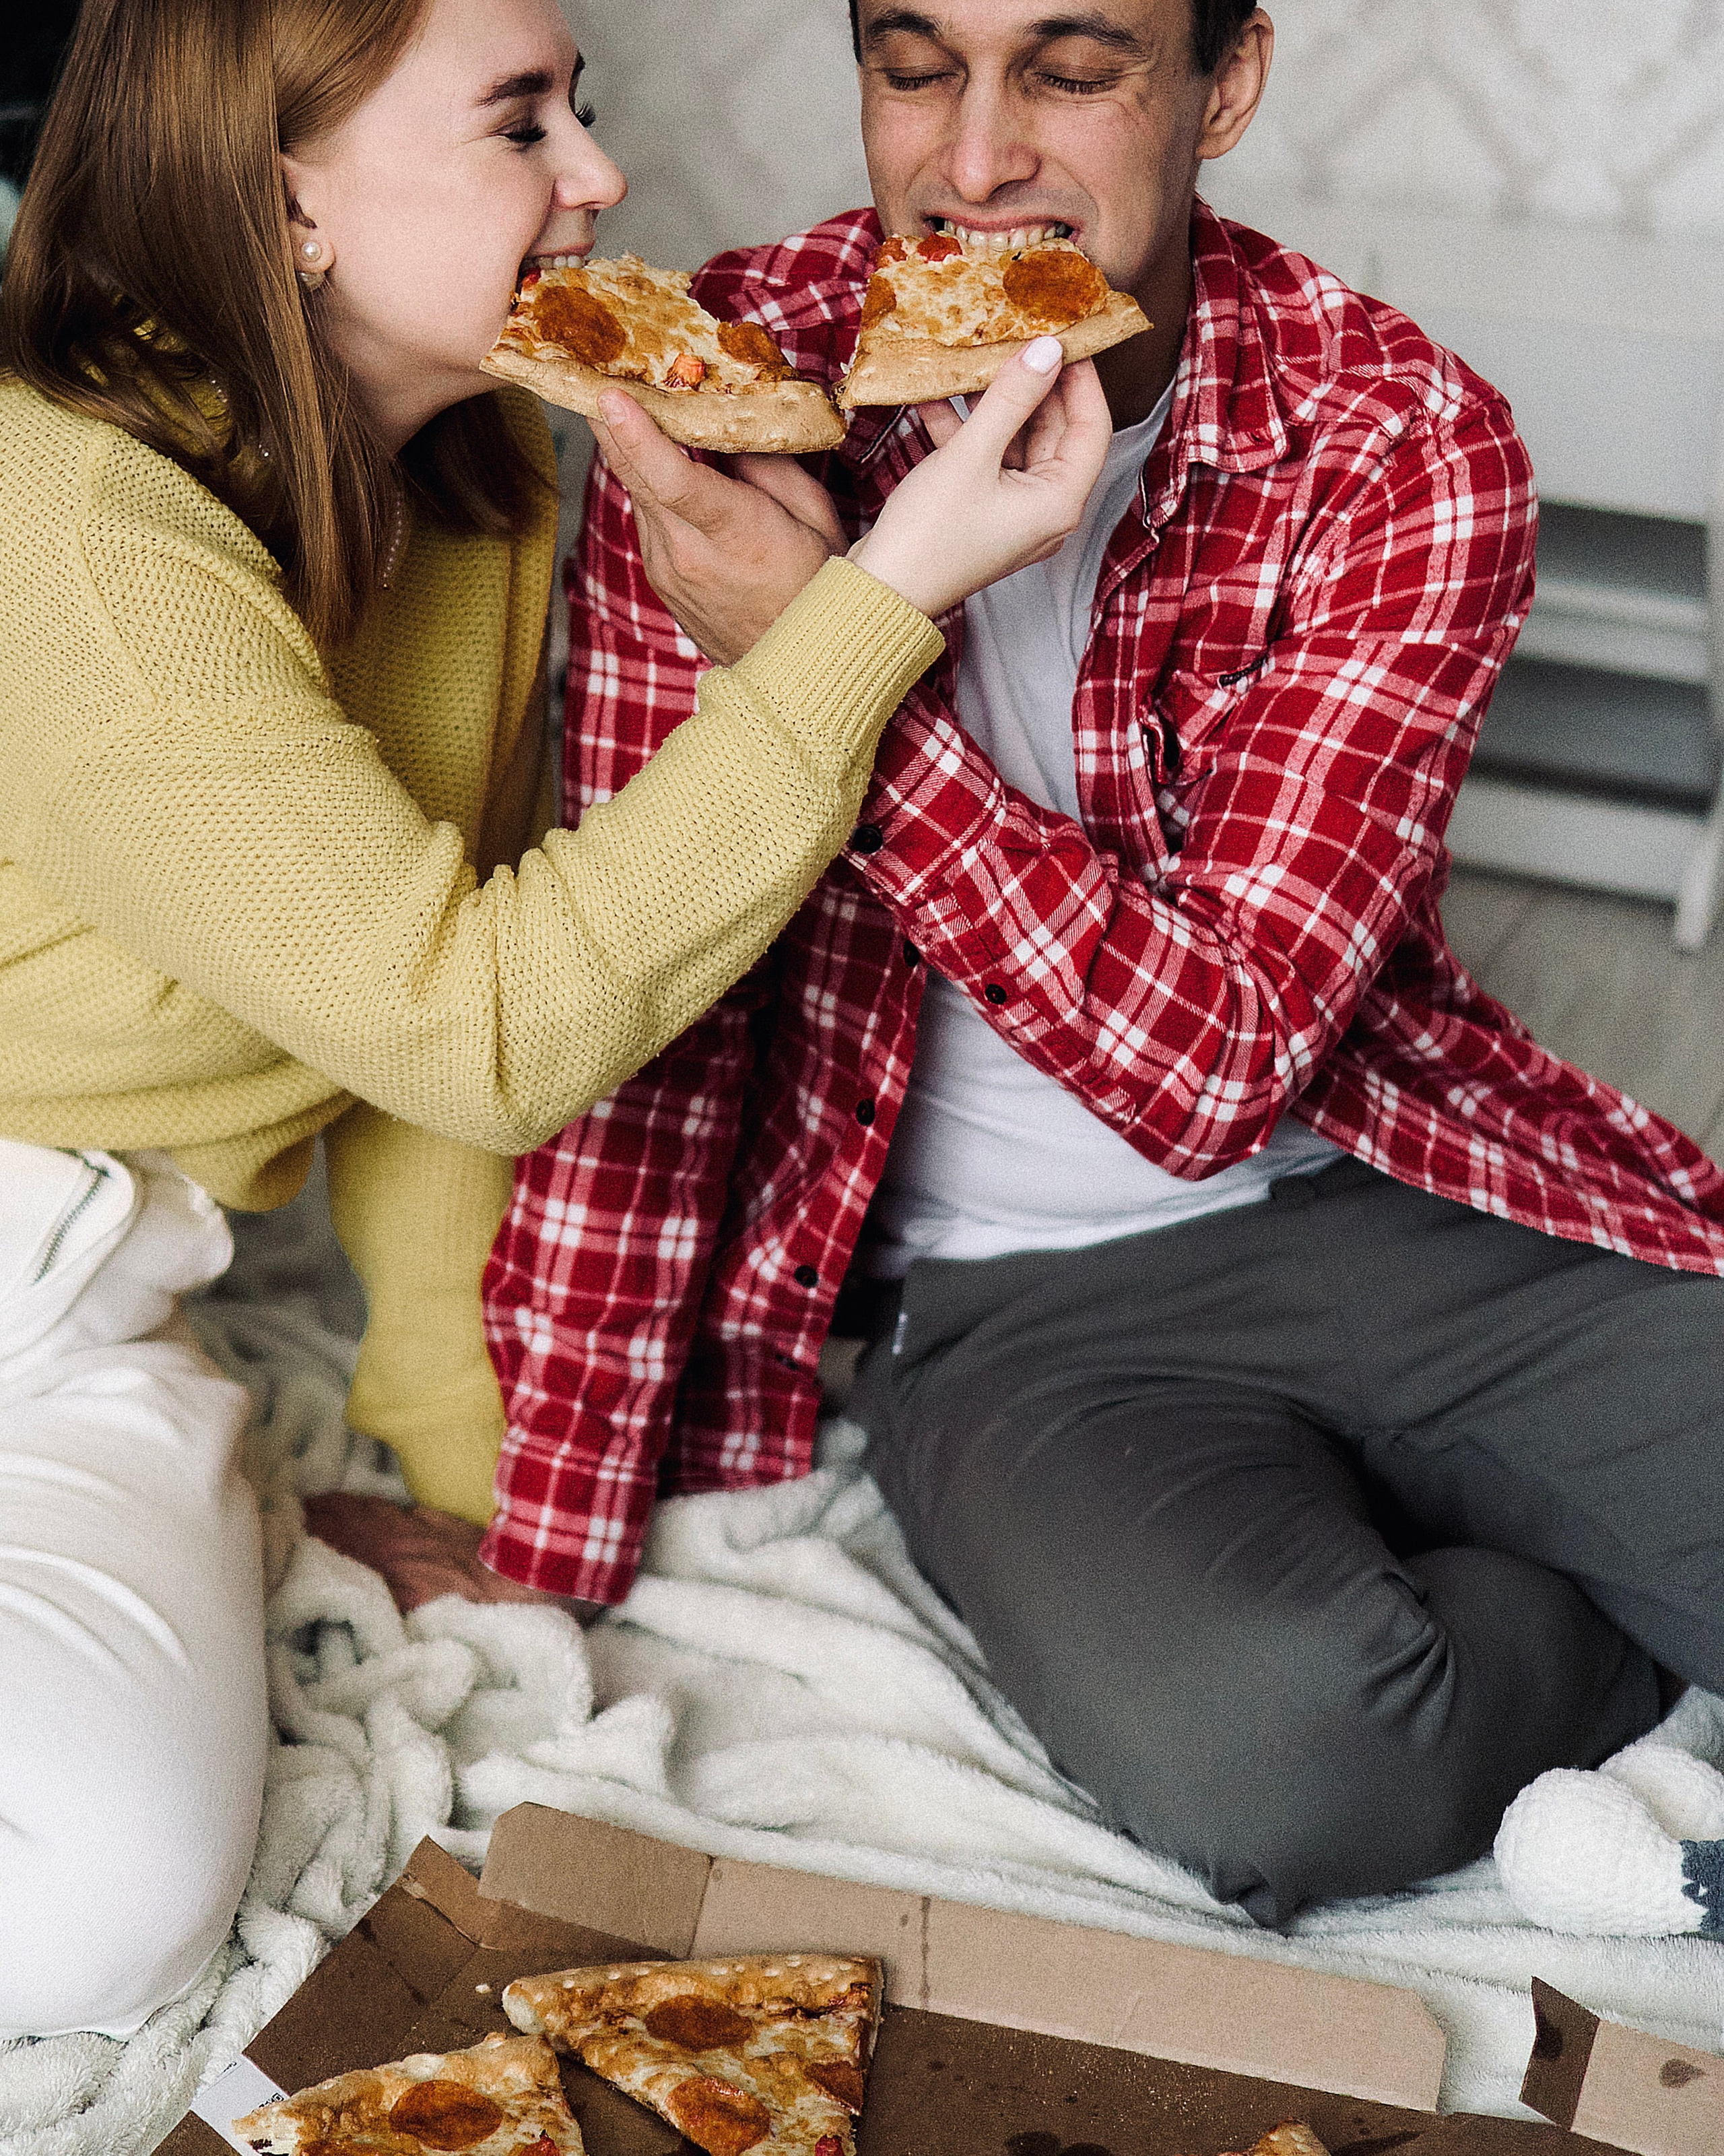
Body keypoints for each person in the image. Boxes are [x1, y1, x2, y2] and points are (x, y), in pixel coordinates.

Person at [485, 0, 1724, 1929]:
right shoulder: (730, 376)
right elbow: (652, 1000)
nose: (975, 162)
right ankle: (1561, 1617)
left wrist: (830, 654)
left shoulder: (1399, 437)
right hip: (1010, 1311)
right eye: (916, 67)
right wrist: (551, 1524)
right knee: (1292, 1764)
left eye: (1071, 69)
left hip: (1385, 1183)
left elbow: (1223, 1057)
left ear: (1224, 85)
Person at [0, 0, 1112, 2039]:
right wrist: (882, 604)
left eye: (580, 106)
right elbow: (477, 1023)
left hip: (94, 1310)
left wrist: (477, 1490)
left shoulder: (482, 483)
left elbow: (419, 1067)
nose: (600, 176)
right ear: (285, 192)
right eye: (523, 121)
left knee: (107, 1912)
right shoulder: (78, 535)